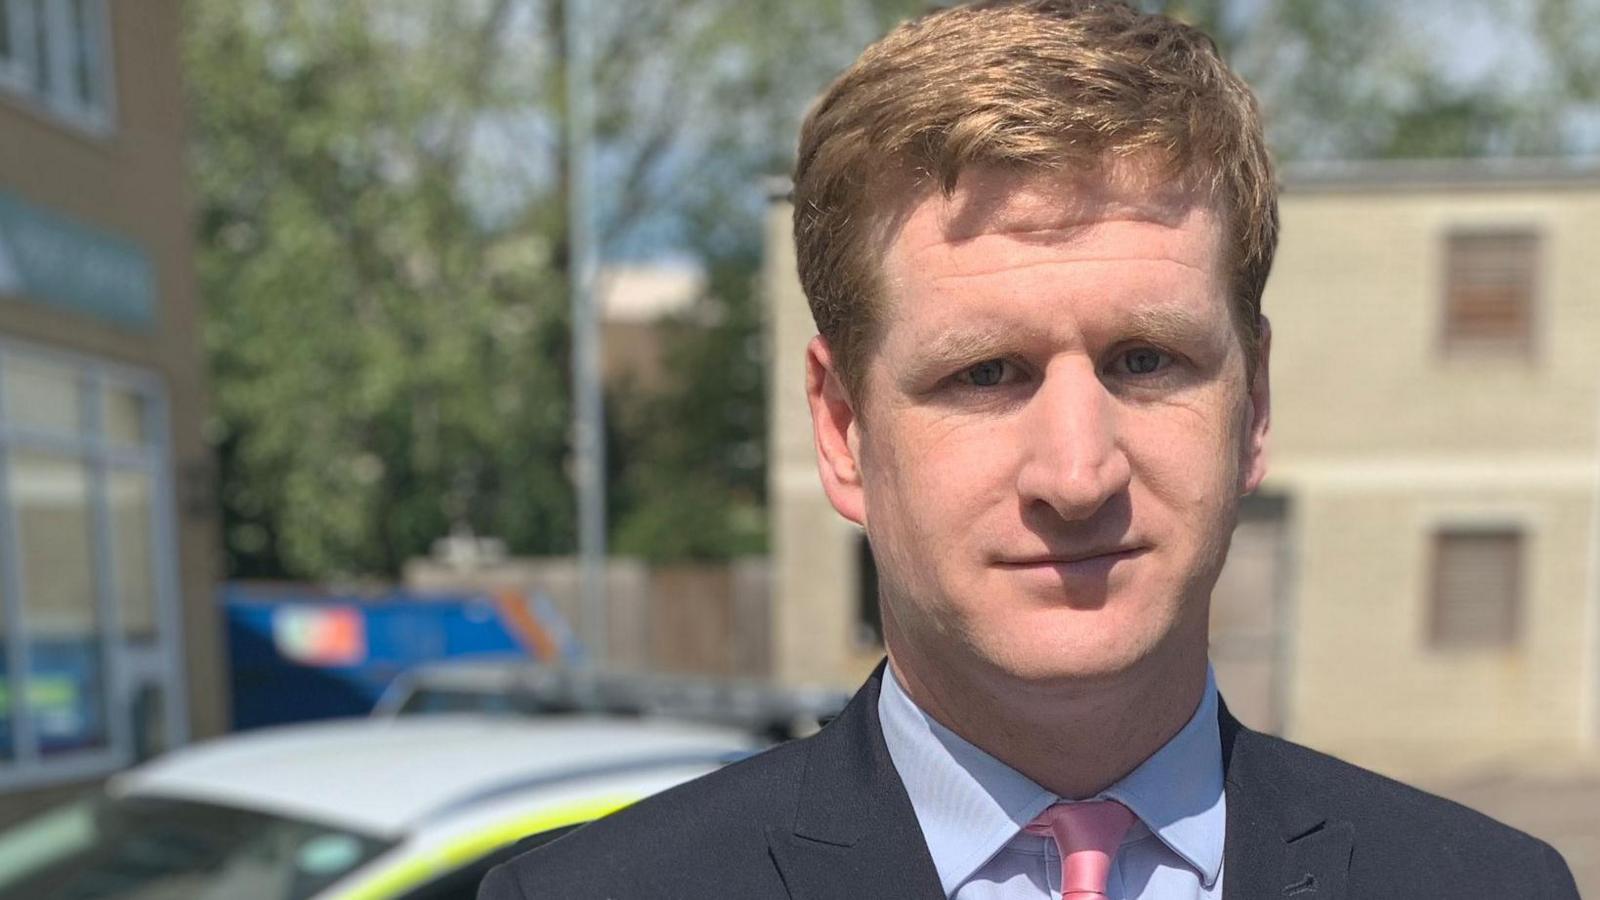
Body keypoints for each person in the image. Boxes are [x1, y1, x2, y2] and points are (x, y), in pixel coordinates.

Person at [480, 1, 1581, 897]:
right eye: (985, 374)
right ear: (841, 429)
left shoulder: (1488, 884)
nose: (1076, 473)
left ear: (1252, 409)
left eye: (1145, 362)